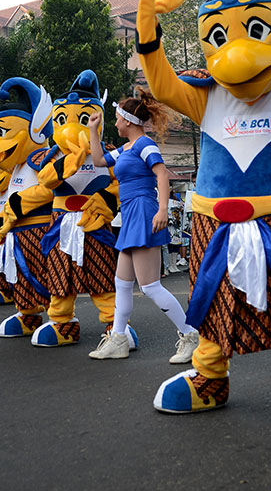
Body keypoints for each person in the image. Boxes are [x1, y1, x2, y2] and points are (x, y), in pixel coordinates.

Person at [85, 95, 199, 362]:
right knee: (122, 283)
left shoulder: (144, 144)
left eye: (117, 118)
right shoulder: (126, 149)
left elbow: (162, 174)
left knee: (150, 286)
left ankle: (191, 335)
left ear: (128, 121)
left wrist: (162, 209)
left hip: (144, 210)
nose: (115, 123)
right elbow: (99, 160)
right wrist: (93, 129)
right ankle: (118, 339)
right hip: (130, 214)